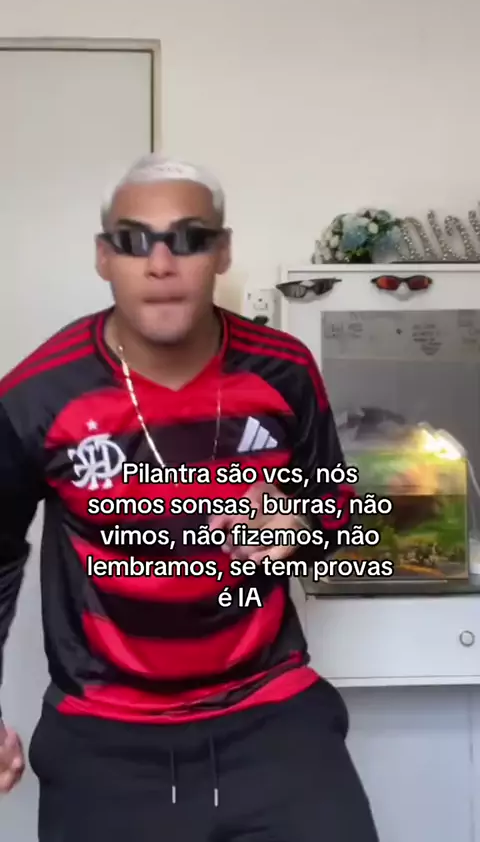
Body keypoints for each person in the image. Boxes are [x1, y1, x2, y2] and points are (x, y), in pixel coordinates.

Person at [0, 153, 379, 841]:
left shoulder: (284, 369)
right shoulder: (36, 393)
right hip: (104, 738)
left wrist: (299, 526)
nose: (161, 263)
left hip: (272, 717)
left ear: (222, 252)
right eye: (134, 240)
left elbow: (337, 509)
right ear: (103, 257)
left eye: (189, 238)